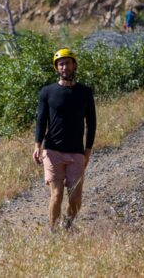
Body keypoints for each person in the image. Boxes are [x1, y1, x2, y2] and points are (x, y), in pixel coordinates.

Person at [33, 48, 96, 231]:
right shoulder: (47, 92)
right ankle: (53, 233)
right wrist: (38, 145)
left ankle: (66, 225)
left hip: (76, 151)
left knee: (76, 199)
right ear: (56, 68)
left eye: (68, 63)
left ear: (74, 65)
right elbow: (41, 120)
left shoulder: (85, 92)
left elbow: (91, 123)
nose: (64, 67)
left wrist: (88, 151)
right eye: (61, 64)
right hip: (52, 151)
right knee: (57, 194)